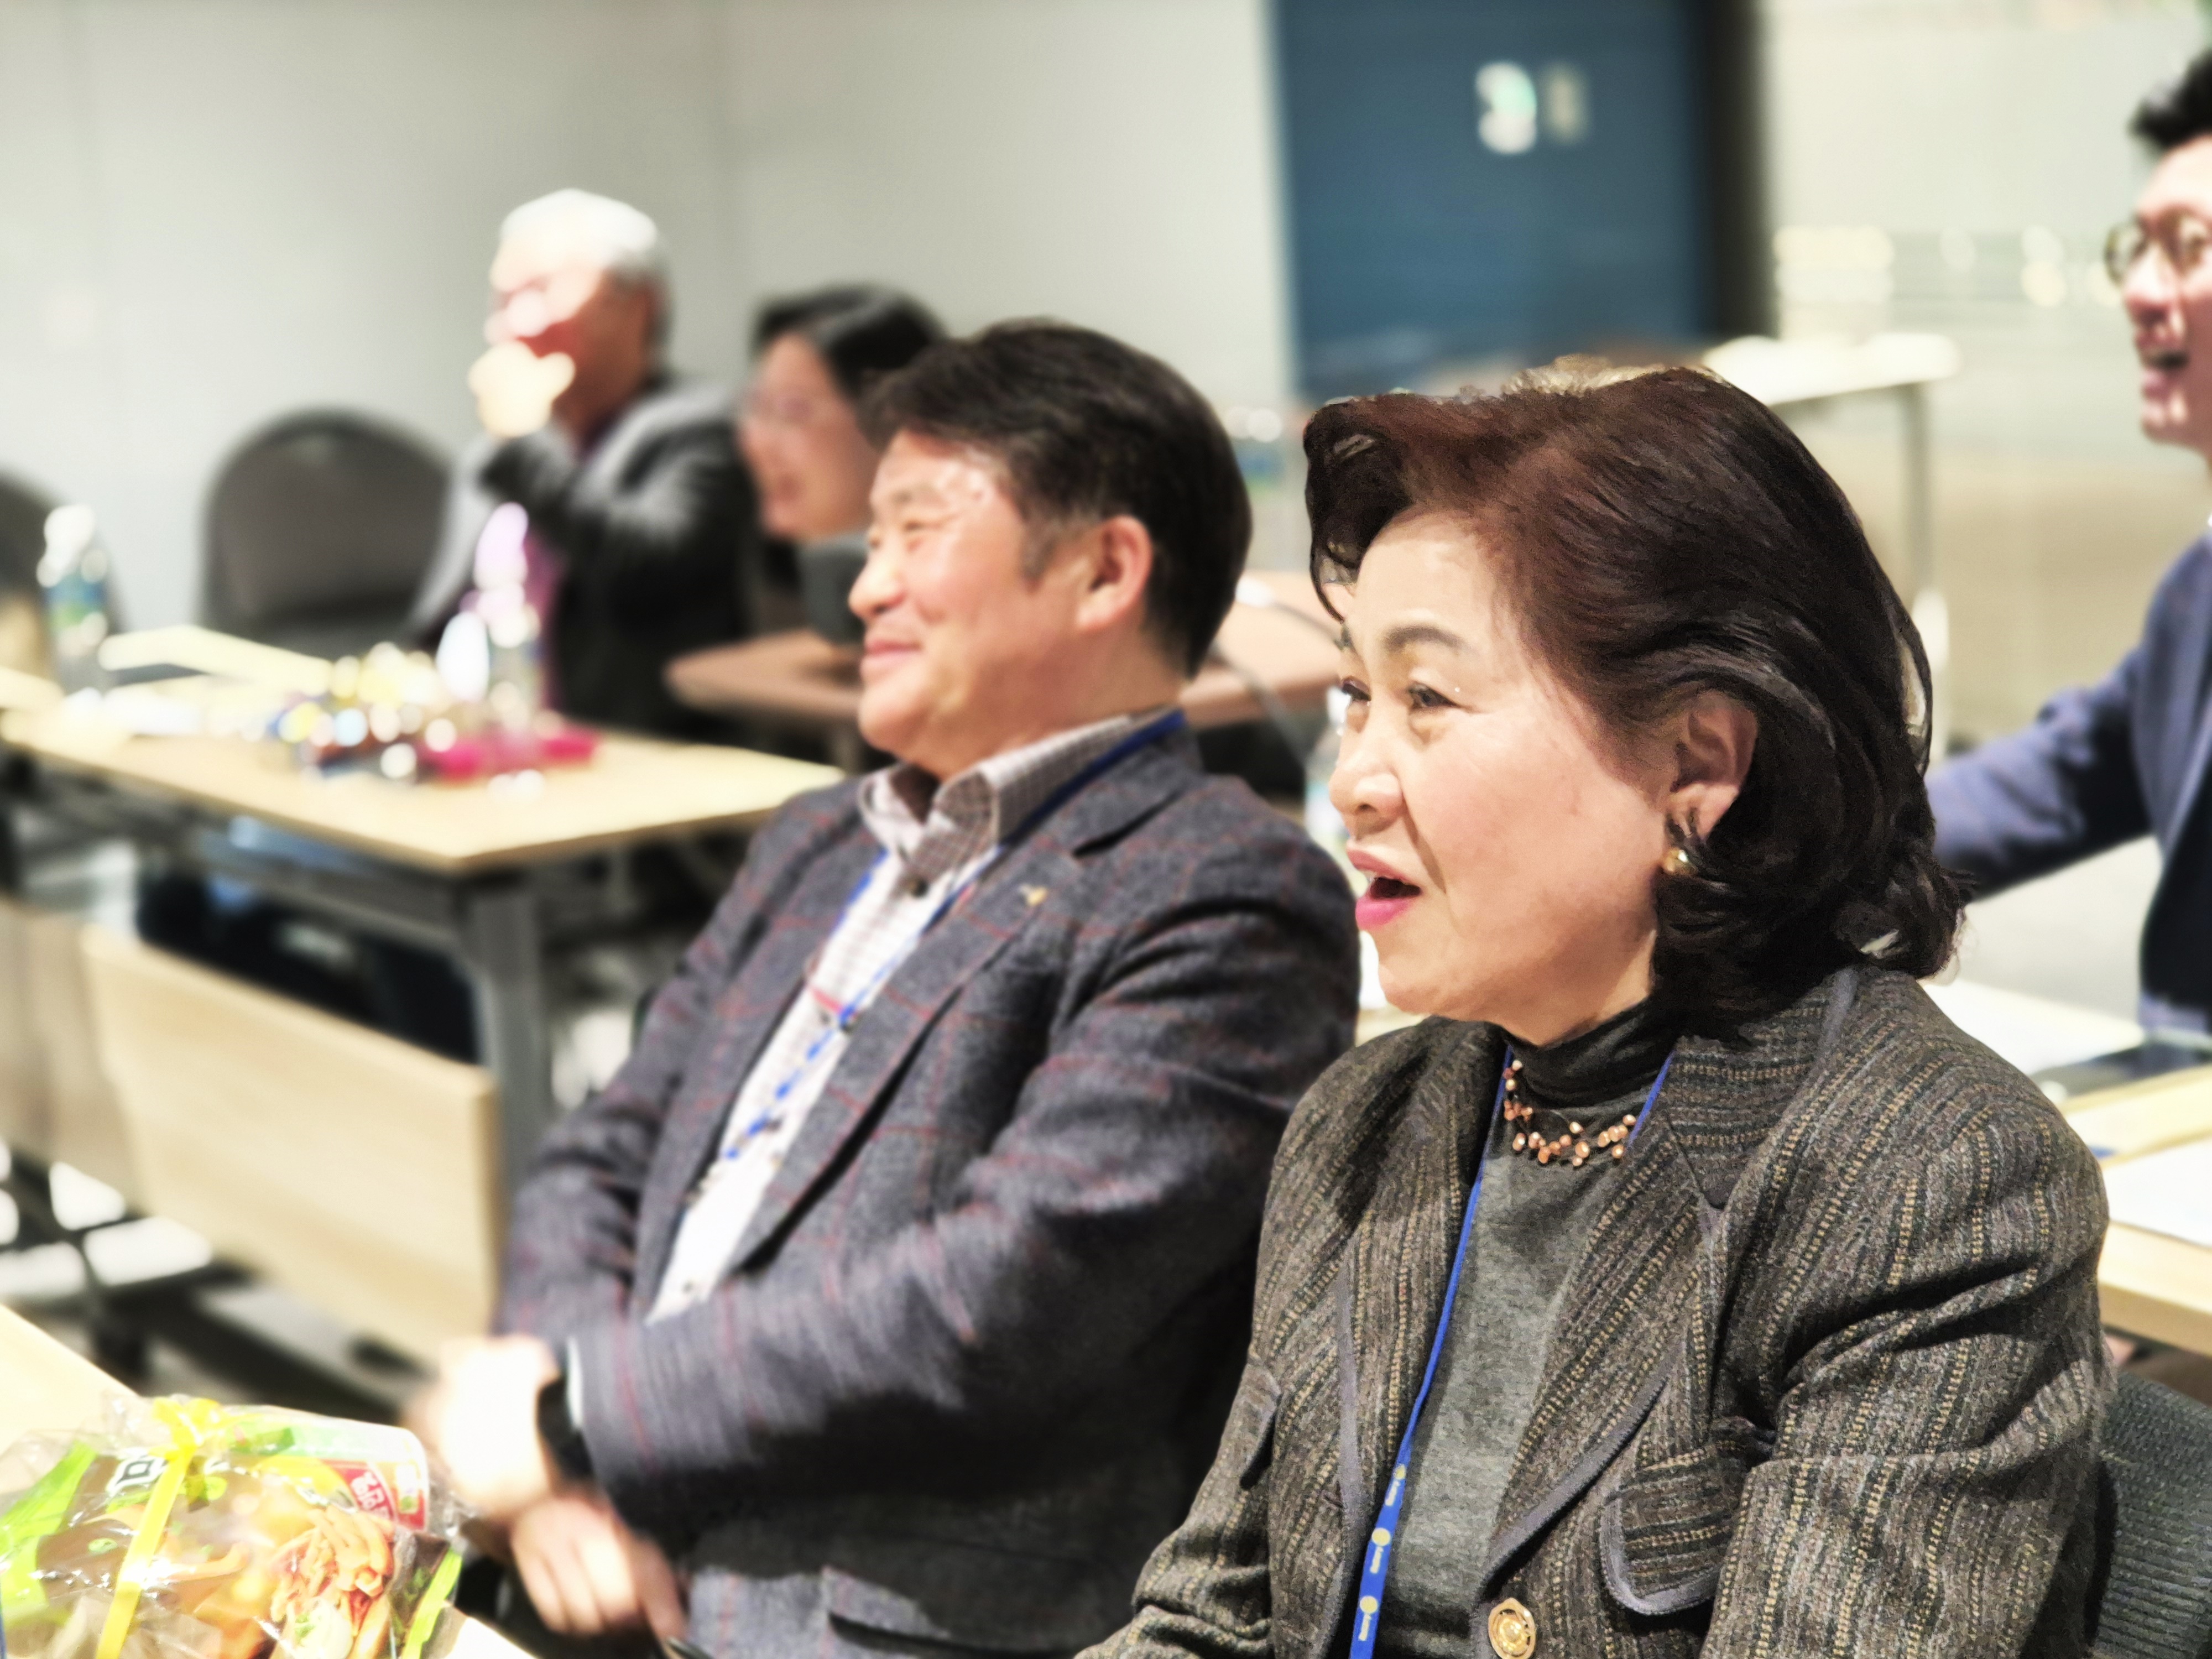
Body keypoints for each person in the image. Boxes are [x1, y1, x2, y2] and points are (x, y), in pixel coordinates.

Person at [1088, 366, 2109, 1659]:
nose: (1352, 780)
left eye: (1426, 699)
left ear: (1697, 762)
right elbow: (1210, 1621)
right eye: (1354, 696)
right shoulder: (1367, 1120)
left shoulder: (1926, 1181)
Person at [410, 321, 1361, 1658]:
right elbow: (604, 1151)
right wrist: (571, 1467)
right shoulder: (819, 839)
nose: (865, 589)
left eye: (917, 531)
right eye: (871, 539)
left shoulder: (1220, 887)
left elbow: (996, 1304)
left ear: (1103, 570)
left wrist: (577, 1415)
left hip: (862, 1611)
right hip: (607, 1554)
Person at [1931, 50, 2212, 1032]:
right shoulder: (2197, 592)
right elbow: (2057, 778)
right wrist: (1792, 849)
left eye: (2187, 247)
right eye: (2136, 249)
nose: (2140, 291)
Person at [405, 189, 766, 738]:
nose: (514, 325)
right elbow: (442, 614)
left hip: (627, 747)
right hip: (473, 739)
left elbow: (644, 575)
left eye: (540, 292)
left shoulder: (703, 427)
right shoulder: (495, 452)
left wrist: (522, 442)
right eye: (502, 300)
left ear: (638, 304)